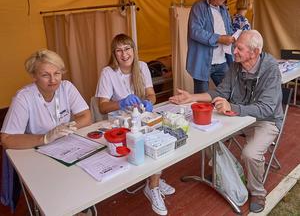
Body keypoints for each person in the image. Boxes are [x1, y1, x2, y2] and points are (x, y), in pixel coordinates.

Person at [170, 30, 283, 213]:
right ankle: (225, 170)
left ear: (254, 53)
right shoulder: (236, 66)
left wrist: (232, 107)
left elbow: (267, 108)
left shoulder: (270, 69)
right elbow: (220, 92)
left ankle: (257, 192)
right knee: (204, 132)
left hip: (266, 120)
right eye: (235, 46)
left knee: (250, 154)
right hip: (239, 116)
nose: (234, 51)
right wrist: (191, 97)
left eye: (239, 48)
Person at [1, 49, 92, 215]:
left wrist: (70, 127)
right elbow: (6, 139)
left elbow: (86, 116)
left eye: (57, 73)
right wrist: (45, 138)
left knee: (88, 175)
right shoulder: (24, 98)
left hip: (67, 148)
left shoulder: (67, 88)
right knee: (54, 193)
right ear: (34, 76)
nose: (53, 80)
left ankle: (77, 206)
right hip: (38, 153)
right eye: (45, 75)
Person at [95, 34, 174, 216]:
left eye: (127, 49)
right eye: (119, 50)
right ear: (114, 54)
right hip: (119, 122)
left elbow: (151, 95)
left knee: (159, 138)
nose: (124, 54)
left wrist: (149, 103)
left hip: (141, 117)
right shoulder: (108, 73)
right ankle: (153, 182)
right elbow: (102, 105)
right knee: (145, 141)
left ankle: (153, 181)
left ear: (133, 50)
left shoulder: (143, 67)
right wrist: (122, 102)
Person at [187, 0, 235, 94]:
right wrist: (219, 39)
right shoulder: (199, 7)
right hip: (202, 61)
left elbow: (228, 29)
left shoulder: (224, 10)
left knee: (228, 94)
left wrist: (235, 37)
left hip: (222, 60)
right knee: (202, 100)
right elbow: (195, 31)